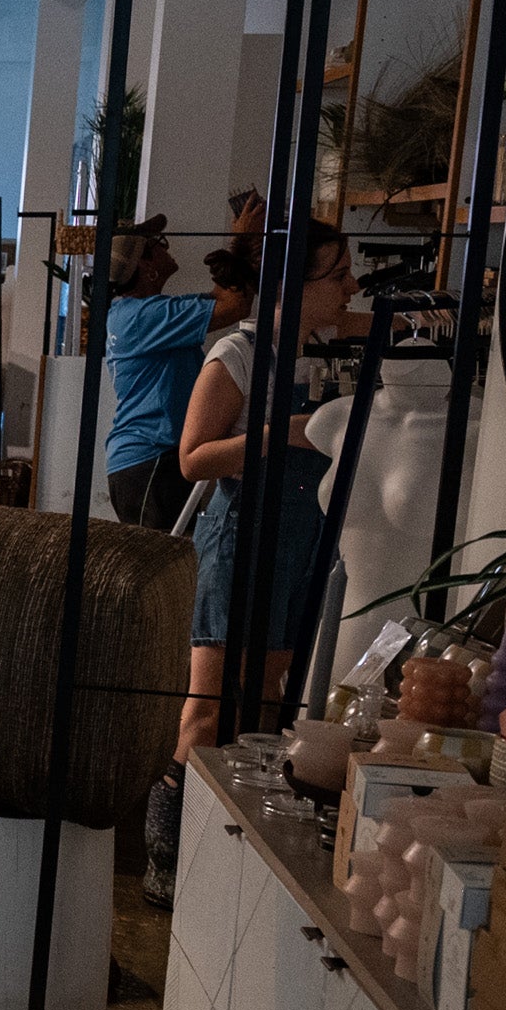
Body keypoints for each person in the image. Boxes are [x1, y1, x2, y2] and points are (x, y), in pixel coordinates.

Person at [172, 219, 360, 762]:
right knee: (210, 709)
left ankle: (228, 832)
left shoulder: (321, 348)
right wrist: (280, 435)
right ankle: (172, 829)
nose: (351, 287)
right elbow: (192, 459)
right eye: (339, 275)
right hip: (244, 541)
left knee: (264, 704)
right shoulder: (239, 355)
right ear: (289, 288)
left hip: (300, 542)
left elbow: (395, 320)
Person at [97, 212, 215, 531]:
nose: (165, 247)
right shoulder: (143, 317)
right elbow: (234, 306)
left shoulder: (149, 314)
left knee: (170, 567)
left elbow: (226, 301)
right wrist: (244, 244)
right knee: (164, 569)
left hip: (149, 460)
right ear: (146, 267)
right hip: (151, 459)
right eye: (155, 244)